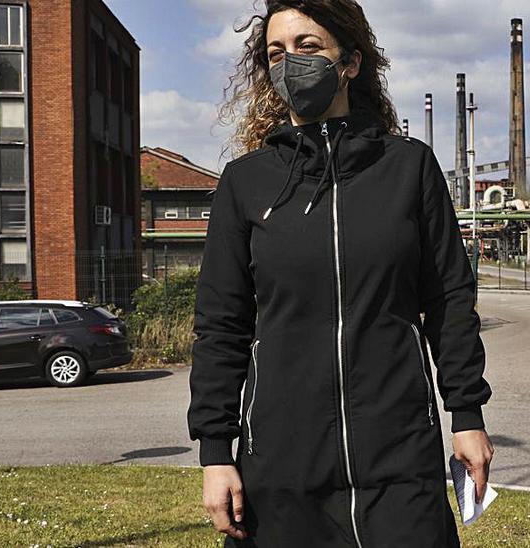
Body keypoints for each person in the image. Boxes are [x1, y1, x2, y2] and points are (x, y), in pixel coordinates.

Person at [187, 1, 494, 545]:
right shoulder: (245, 183)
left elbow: (449, 299)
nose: (290, 64)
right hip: (281, 462)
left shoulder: (408, 168)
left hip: (398, 454)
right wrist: (216, 451)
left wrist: (466, 413)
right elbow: (221, 326)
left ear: (350, 62)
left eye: (308, 47)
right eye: (276, 53)